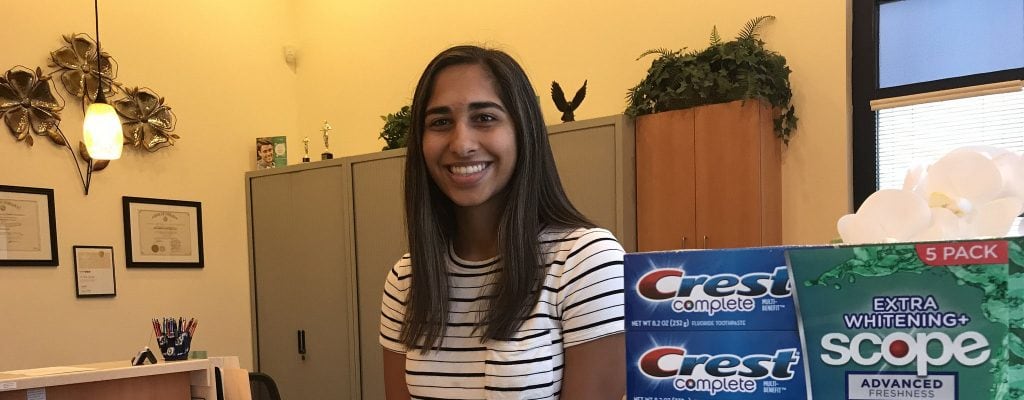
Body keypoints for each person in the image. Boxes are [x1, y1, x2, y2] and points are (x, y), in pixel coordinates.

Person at [379, 45, 626, 400]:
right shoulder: (407, 279)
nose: (461, 143)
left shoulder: (585, 262)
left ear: (522, 131)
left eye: (485, 118)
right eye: (440, 122)